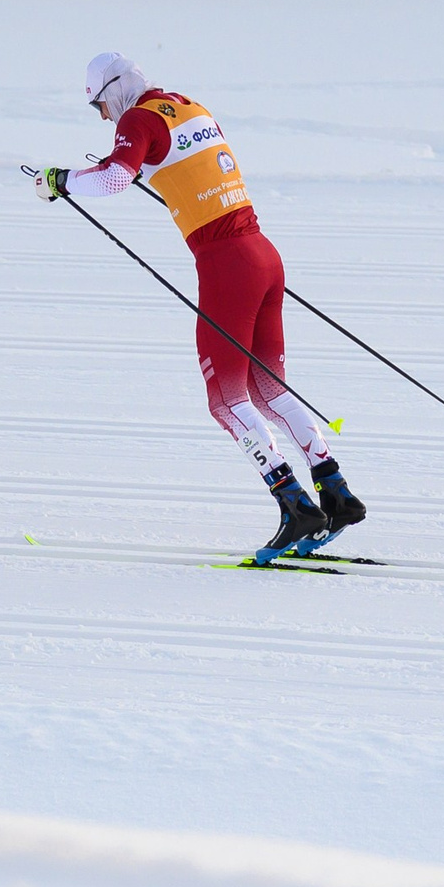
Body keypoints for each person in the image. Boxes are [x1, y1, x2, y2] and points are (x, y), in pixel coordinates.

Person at [35, 53, 362, 560]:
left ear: (116, 90)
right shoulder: (186, 106)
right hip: (263, 255)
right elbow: (183, 170)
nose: (103, 116)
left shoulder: (136, 117)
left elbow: (114, 180)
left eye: (100, 103)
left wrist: (60, 181)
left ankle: (295, 506)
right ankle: (334, 491)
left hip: (227, 266)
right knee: (268, 389)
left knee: (227, 400)